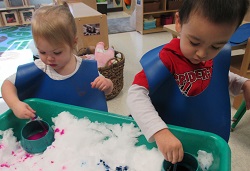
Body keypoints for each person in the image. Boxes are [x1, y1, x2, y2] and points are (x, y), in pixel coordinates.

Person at [127, 0, 250, 165]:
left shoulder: (212, 58)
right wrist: (159, 131)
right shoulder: (167, 59)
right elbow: (135, 94)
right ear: (178, 22)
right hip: (170, 137)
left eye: (216, 46)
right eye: (194, 42)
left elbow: (220, 78)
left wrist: (243, 83)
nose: (202, 53)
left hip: (203, 135)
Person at [1, 3, 113, 119]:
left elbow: (107, 91)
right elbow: (7, 85)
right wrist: (15, 105)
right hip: (49, 127)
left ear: (73, 43)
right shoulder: (40, 67)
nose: (49, 58)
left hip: (83, 125)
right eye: (43, 52)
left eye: (57, 52)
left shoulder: (86, 69)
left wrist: (107, 84)